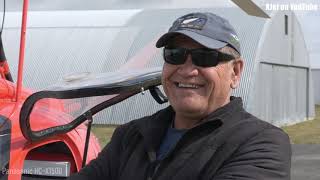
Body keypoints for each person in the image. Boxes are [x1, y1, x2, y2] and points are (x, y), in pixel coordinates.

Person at [69, 12, 291, 180]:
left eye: (205, 57)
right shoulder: (131, 135)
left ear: (235, 72)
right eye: (175, 55)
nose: (186, 70)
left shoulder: (261, 144)